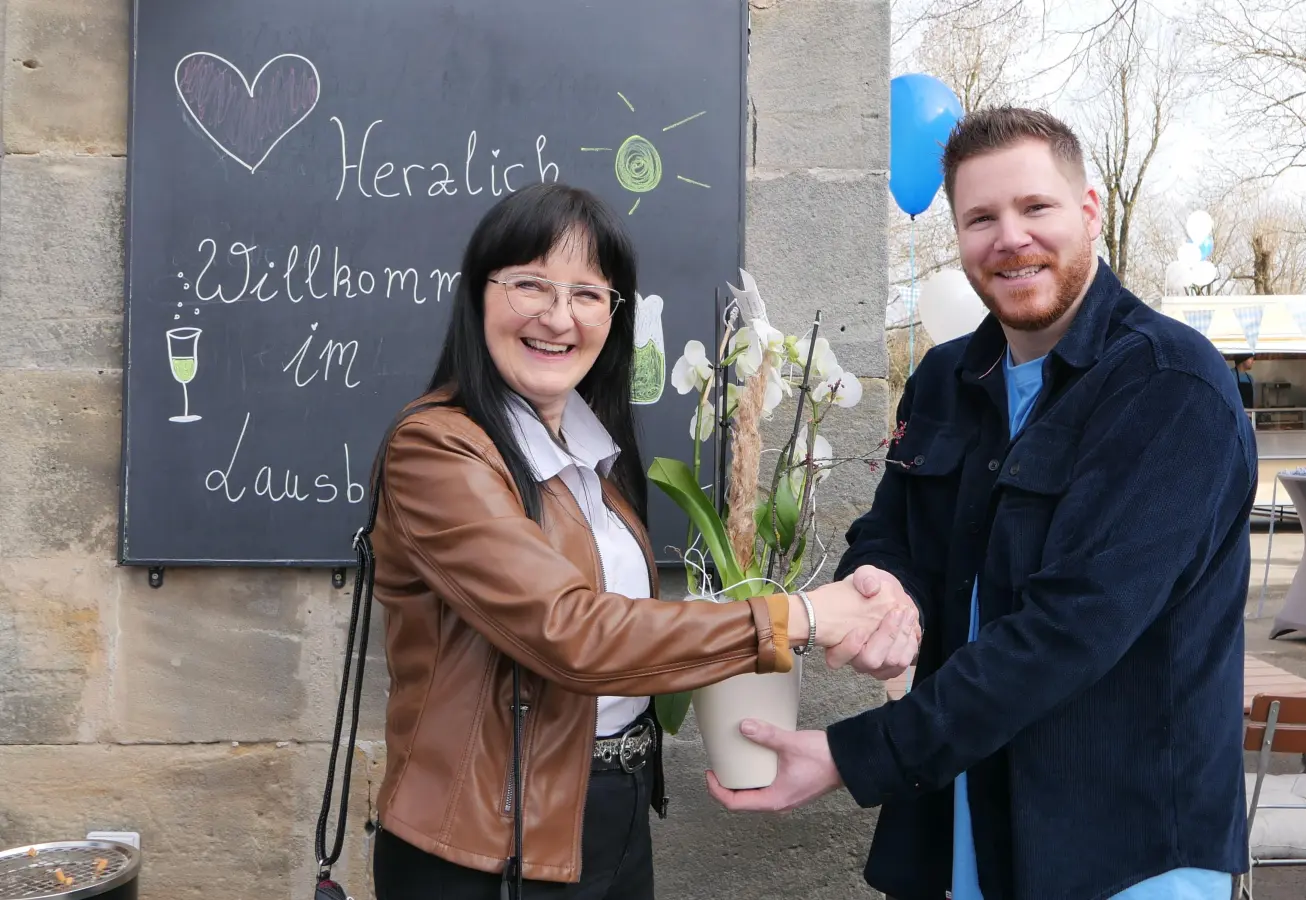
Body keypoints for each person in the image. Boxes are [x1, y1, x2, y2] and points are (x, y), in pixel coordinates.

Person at [709, 106, 1257, 899]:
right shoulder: (946, 378)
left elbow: (1070, 629)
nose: (1011, 237)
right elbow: (890, 532)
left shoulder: (1169, 388)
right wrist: (884, 591)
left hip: (1121, 849)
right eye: (981, 218)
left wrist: (853, 755)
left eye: (1035, 208)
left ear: (1089, 212)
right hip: (961, 823)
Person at [365, 183, 915, 900]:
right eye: (529, 283)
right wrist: (803, 617)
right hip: (486, 844)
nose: (558, 316)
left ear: (615, 315)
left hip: (609, 817)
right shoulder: (436, 450)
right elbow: (569, 632)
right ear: (478, 295)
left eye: (589, 294)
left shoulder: (595, 459)